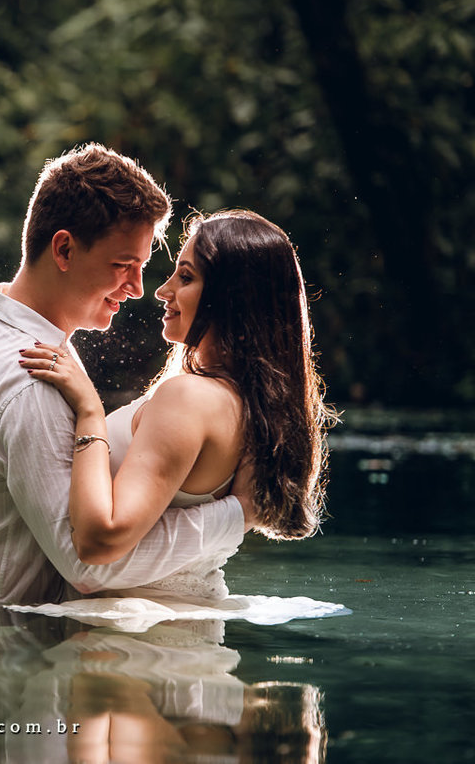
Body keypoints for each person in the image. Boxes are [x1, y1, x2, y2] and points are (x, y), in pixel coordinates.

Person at [0, 143, 253, 609]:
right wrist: (240, 514)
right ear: (64, 249)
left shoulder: (0, 331)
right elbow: (91, 566)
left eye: (142, 267)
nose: (138, 289)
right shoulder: (31, 380)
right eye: (124, 266)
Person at [19, 209, 336, 602]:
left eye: (186, 277)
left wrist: (90, 413)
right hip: (173, 643)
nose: (162, 290)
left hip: (132, 649)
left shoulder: (188, 398)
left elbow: (101, 543)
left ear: (231, 298)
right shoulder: (247, 405)